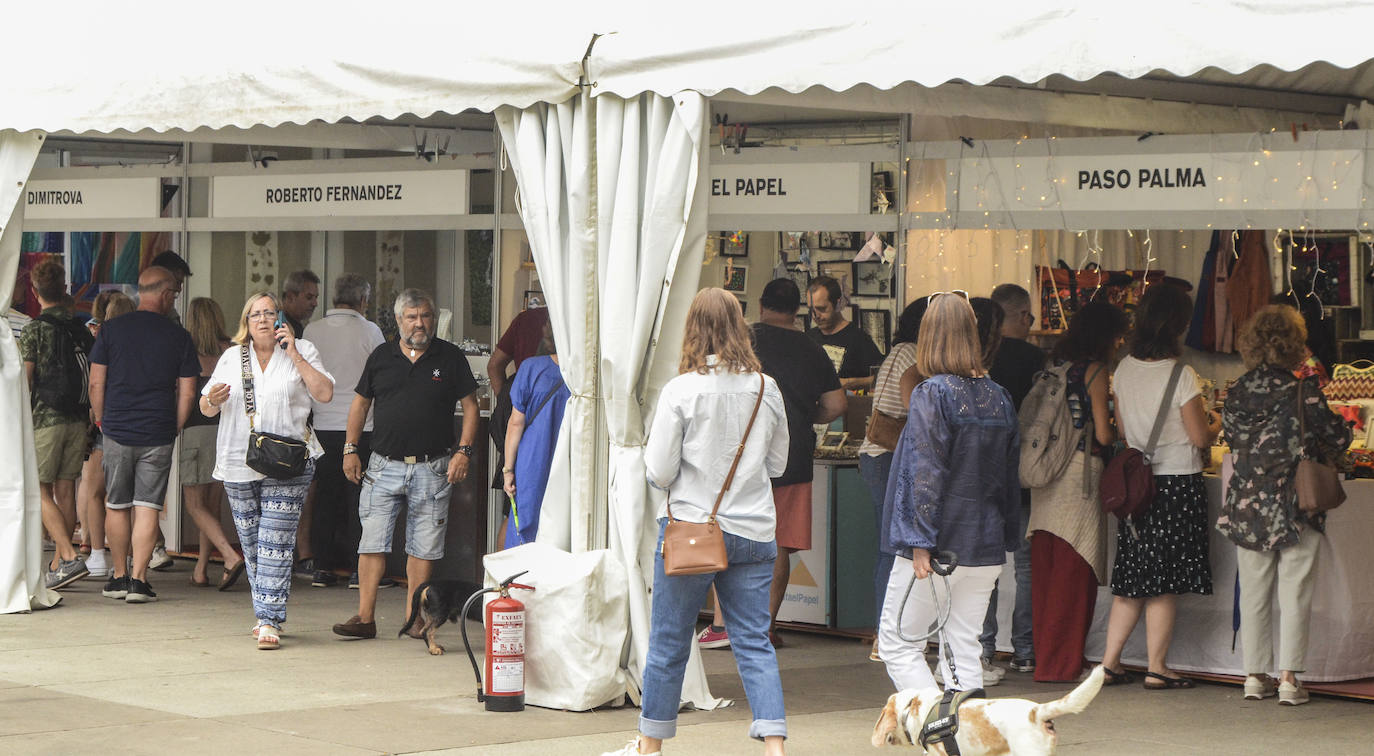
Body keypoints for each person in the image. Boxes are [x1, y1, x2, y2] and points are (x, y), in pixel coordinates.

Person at [605, 288, 789, 756]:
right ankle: (774, 744)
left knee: (669, 643)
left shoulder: (680, 390)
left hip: (691, 530)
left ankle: (650, 744)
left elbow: (660, 471)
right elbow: (778, 464)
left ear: (693, 328)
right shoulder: (766, 387)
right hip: (754, 531)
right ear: (740, 326)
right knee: (753, 641)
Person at [876, 292, 1020, 693]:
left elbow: (926, 472)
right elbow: (1009, 476)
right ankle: (964, 738)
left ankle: (940, 733)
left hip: (938, 546)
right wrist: (1007, 536)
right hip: (985, 543)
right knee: (962, 648)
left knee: (898, 643)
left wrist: (919, 542)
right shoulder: (1000, 396)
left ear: (928, 336)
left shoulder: (932, 393)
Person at [697, 279, 845, 650]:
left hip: (735, 456)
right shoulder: (812, 348)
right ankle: (764, 627)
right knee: (778, 544)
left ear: (761, 305)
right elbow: (837, 405)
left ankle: (720, 625)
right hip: (792, 457)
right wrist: (806, 416)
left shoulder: (739, 341)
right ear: (798, 309)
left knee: (726, 530)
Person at [1220, 305, 1350, 706]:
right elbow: (1336, 438)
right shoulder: (1302, 390)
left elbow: (1233, 440)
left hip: (1246, 503)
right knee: (1295, 591)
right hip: (1295, 505)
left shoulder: (1235, 391)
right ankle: (1290, 679)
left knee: (1254, 592)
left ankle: (1255, 676)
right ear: (1294, 343)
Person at [333, 288, 481, 640]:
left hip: (433, 467)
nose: (419, 323)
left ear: (434, 319)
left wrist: (464, 452)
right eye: (411, 317)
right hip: (383, 466)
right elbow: (359, 405)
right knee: (371, 543)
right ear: (398, 321)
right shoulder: (382, 356)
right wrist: (350, 449)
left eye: (425, 316)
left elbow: (472, 407)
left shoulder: (450, 357)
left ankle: (415, 618)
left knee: (423, 548)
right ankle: (364, 618)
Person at [1100, 283, 1220, 689]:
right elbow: (1200, 437)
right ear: (1178, 325)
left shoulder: (1125, 369)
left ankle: (1109, 663)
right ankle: (1157, 666)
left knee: (1133, 577)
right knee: (1164, 583)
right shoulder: (1181, 374)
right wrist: (1215, 423)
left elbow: (1121, 427)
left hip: (1137, 484)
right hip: (1176, 484)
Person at [200, 292, 334, 649]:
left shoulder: (302, 350)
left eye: (269, 313)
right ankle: (266, 610)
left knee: (275, 541)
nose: (262, 319)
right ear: (246, 322)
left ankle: (268, 620)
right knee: (254, 543)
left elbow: (324, 393)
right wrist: (211, 400)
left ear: (280, 320)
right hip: (237, 460)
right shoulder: (232, 356)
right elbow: (206, 407)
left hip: (289, 461)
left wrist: (293, 353)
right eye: (255, 314)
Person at [1027, 300, 1128, 683]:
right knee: (1075, 572)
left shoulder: (1053, 367)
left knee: (1047, 573)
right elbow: (1102, 433)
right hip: (1080, 476)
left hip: (1046, 474)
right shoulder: (1095, 371)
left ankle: (1046, 659)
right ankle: (1062, 664)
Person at [88, 266, 199, 604]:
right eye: (174, 294)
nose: (174, 300)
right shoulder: (178, 336)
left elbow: (96, 382)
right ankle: (139, 581)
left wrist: (103, 421)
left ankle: (119, 576)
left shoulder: (111, 330)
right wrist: (175, 425)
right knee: (148, 506)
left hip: (117, 430)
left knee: (117, 505)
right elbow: (188, 392)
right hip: (158, 430)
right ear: (164, 294)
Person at [302, 273, 387, 587]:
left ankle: (322, 567)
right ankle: (357, 570)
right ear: (363, 301)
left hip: (322, 426)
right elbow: (382, 375)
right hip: (361, 429)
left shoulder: (312, 330)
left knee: (326, 497)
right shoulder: (370, 331)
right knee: (359, 499)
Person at [979, 283, 1046, 675]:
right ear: (1020, 317)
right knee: (1026, 568)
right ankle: (1025, 649)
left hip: (985, 474)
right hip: (1023, 473)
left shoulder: (977, 360)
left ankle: (984, 647)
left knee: (984, 566)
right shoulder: (1036, 358)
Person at [857, 297, 928, 662]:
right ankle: (883, 635)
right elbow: (910, 402)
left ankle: (884, 633)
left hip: (876, 455)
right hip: (888, 454)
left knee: (890, 545)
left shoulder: (898, 348)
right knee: (892, 546)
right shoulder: (913, 353)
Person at [20, 260, 92, 590]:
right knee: (66, 490)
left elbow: (26, 379)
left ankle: (68, 553)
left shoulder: (35, 329)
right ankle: (59, 564)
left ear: (35, 292)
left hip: (46, 418)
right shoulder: (79, 327)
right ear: (64, 289)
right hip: (78, 417)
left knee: (39, 489)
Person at [181, 297, 245, 590]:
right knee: (212, 505)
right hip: (224, 433)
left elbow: (183, 395)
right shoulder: (230, 350)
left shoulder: (187, 352)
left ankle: (230, 556)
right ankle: (202, 568)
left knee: (195, 505)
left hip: (195, 431)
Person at [77, 290, 134, 577]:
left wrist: (97, 419)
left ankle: (98, 554)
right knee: (131, 499)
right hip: (136, 426)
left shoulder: (104, 342)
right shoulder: (141, 344)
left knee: (97, 493)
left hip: (106, 423)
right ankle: (131, 560)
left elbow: (94, 384)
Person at [500, 319, 569, 547]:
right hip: (570, 461)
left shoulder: (531, 368)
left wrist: (508, 470)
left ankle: (518, 580)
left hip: (533, 460)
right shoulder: (585, 374)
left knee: (525, 525)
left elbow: (516, 423)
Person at [488, 304, 552, 545]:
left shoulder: (526, 319)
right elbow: (494, 366)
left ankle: (500, 578)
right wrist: (512, 401)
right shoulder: (568, 316)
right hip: (533, 425)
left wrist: (508, 400)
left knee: (514, 510)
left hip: (521, 423)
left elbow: (494, 365)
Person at [280, 269, 321, 576]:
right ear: (289, 297)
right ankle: (301, 553)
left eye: (316, 297)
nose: (314, 303)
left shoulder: (301, 329)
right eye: (308, 297)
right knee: (302, 489)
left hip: (299, 420)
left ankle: (298, 552)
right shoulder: (285, 330)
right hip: (287, 427)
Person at [806, 276, 883, 391]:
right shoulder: (808, 338)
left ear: (838, 304)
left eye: (821, 309)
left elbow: (881, 379)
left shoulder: (858, 338)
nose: (815, 316)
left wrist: (849, 383)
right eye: (811, 309)